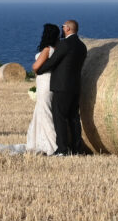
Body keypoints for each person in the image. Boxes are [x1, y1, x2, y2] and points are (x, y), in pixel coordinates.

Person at [35, 18, 87, 155]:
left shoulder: (65, 44)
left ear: (68, 28)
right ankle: (76, 149)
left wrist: (39, 70)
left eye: (63, 26)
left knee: (60, 118)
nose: (62, 29)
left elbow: (52, 61)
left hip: (62, 86)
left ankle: (62, 149)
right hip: (75, 86)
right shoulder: (82, 46)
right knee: (74, 118)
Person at [25, 23, 60, 154]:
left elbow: (35, 66)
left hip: (45, 81)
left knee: (45, 112)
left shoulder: (47, 49)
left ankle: (53, 145)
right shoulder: (57, 48)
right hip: (50, 81)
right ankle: (42, 141)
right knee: (43, 111)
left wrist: (35, 69)